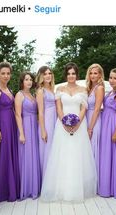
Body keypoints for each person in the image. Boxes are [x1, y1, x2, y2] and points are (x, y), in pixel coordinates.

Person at [41, 62, 97, 202]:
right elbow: (59, 108)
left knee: (77, 155)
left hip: (79, 124)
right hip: (62, 125)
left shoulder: (83, 89)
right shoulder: (59, 88)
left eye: (73, 73)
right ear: (65, 75)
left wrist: (77, 122)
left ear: (76, 75)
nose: (71, 76)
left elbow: (84, 108)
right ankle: (62, 189)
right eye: (68, 73)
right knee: (62, 155)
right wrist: (64, 122)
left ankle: (77, 189)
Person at [0, 62, 20, 202]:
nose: (6, 76)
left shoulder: (10, 90)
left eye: (8, 73)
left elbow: (14, 110)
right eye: (3, 73)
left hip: (11, 125)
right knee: (4, 155)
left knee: (10, 154)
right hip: (2, 124)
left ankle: (12, 188)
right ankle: (3, 191)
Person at [98, 68, 116, 199]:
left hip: (114, 123)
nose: (112, 80)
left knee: (114, 154)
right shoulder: (110, 92)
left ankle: (114, 188)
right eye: (110, 77)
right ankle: (105, 186)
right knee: (106, 154)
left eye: (115, 78)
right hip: (105, 123)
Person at [15, 72, 41, 200]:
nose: (29, 82)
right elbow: (18, 115)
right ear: (22, 81)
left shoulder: (32, 94)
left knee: (34, 155)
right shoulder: (19, 95)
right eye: (26, 79)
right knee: (26, 156)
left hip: (34, 127)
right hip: (25, 126)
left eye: (30, 79)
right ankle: (27, 188)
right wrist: (21, 133)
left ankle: (35, 186)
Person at [36, 66, 57, 179]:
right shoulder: (41, 91)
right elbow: (40, 112)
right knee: (47, 150)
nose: (48, 75)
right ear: (41, 76)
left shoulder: (52, 90)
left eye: (49, 73)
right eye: (45, 74)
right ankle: (46, 180)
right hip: (47, 122)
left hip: (55, 121)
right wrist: (43, 130)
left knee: (55, 150)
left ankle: (54, 180)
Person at [85, 63, 105, 177]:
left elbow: (97, 109)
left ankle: (95, 180)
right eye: (91, 73)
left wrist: (90, 128)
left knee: (93, 148)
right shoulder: (89, 88)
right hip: (87, 118)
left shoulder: (100, 88)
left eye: (95, 73)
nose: (93, 75)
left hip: (94, 121)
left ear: (100, 75)